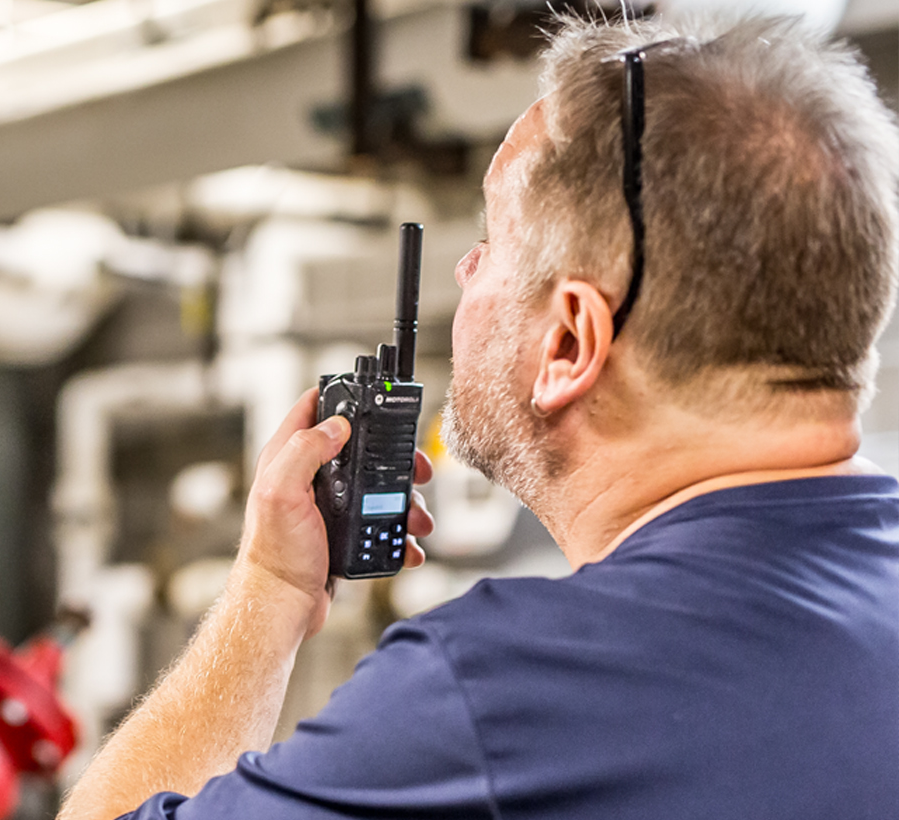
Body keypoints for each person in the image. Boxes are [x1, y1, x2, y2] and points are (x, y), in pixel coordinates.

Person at [59, 14, 899, 820]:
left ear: (570, 340)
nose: (465, 270)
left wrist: (270, 592)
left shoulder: (495, 699)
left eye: (491, 240)